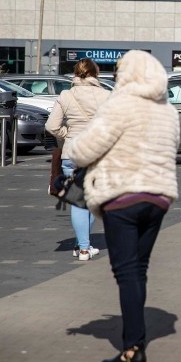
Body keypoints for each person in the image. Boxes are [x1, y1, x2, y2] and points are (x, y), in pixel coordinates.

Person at [63, 50, 180, 362]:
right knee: (138, 270)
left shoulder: (120, 103)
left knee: (126, 273)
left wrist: (70, 149)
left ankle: (133, 348)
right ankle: (135, 341)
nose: (116, 75)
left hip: (122, 198)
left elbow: (87, 149)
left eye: (119, 70)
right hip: (158, 199)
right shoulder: (167, 111)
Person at [44, 58, 111, 261]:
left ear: (76, 73)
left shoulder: (66, 95)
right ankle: (84, 248)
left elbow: (51, 126)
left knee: (77, 201)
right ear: (95, 74)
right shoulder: (107, 95)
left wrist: (69, 134)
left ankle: (81, 246)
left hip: (71, 153)